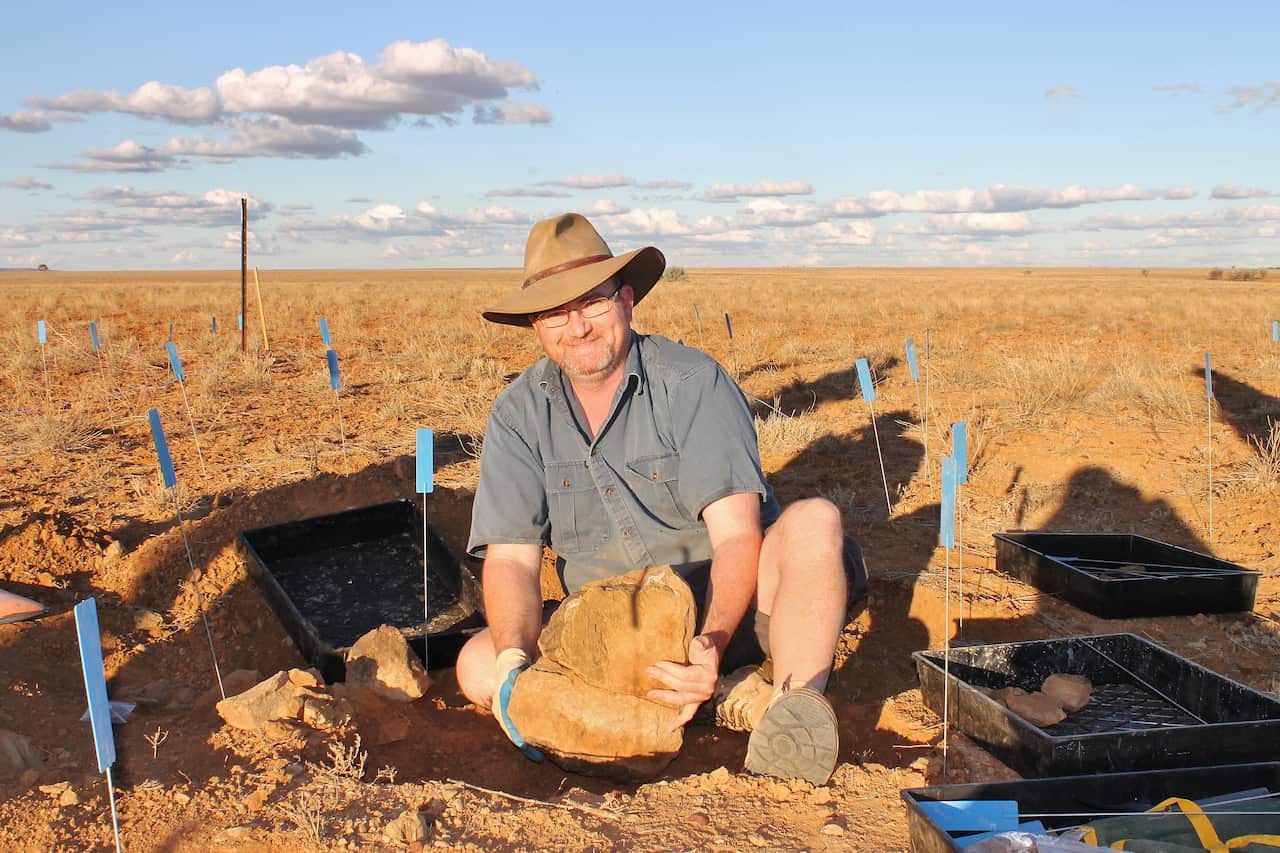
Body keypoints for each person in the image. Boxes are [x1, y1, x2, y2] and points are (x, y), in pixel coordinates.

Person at [456, 213, 866, 785]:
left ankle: (787, 707)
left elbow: (737, 536)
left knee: (816, 521)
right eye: (554, 312)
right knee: (478, 662)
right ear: (534, 325)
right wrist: (514, 668)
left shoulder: (692, 381)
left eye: (592, 304)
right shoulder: (519, 413)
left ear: (625, 300)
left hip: (728, 603)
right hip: (607, 628)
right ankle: (725, 700)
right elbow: (510, 560)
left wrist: (713, 641)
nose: (576, 327)